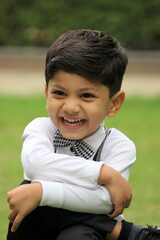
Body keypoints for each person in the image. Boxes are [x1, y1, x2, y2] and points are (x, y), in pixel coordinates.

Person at [7, 30, 160, 240]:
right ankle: (125, 234)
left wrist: (42, 192)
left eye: (86, 96)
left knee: (76, 232)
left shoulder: (118, 146)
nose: (70, 107)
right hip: (35, 229)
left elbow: (107, 202)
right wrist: (103, 174)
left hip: (85, 234)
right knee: (28, 202)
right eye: (59, 93)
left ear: (113, 104)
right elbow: (35, 165)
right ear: (46, 93)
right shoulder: (41, 128)